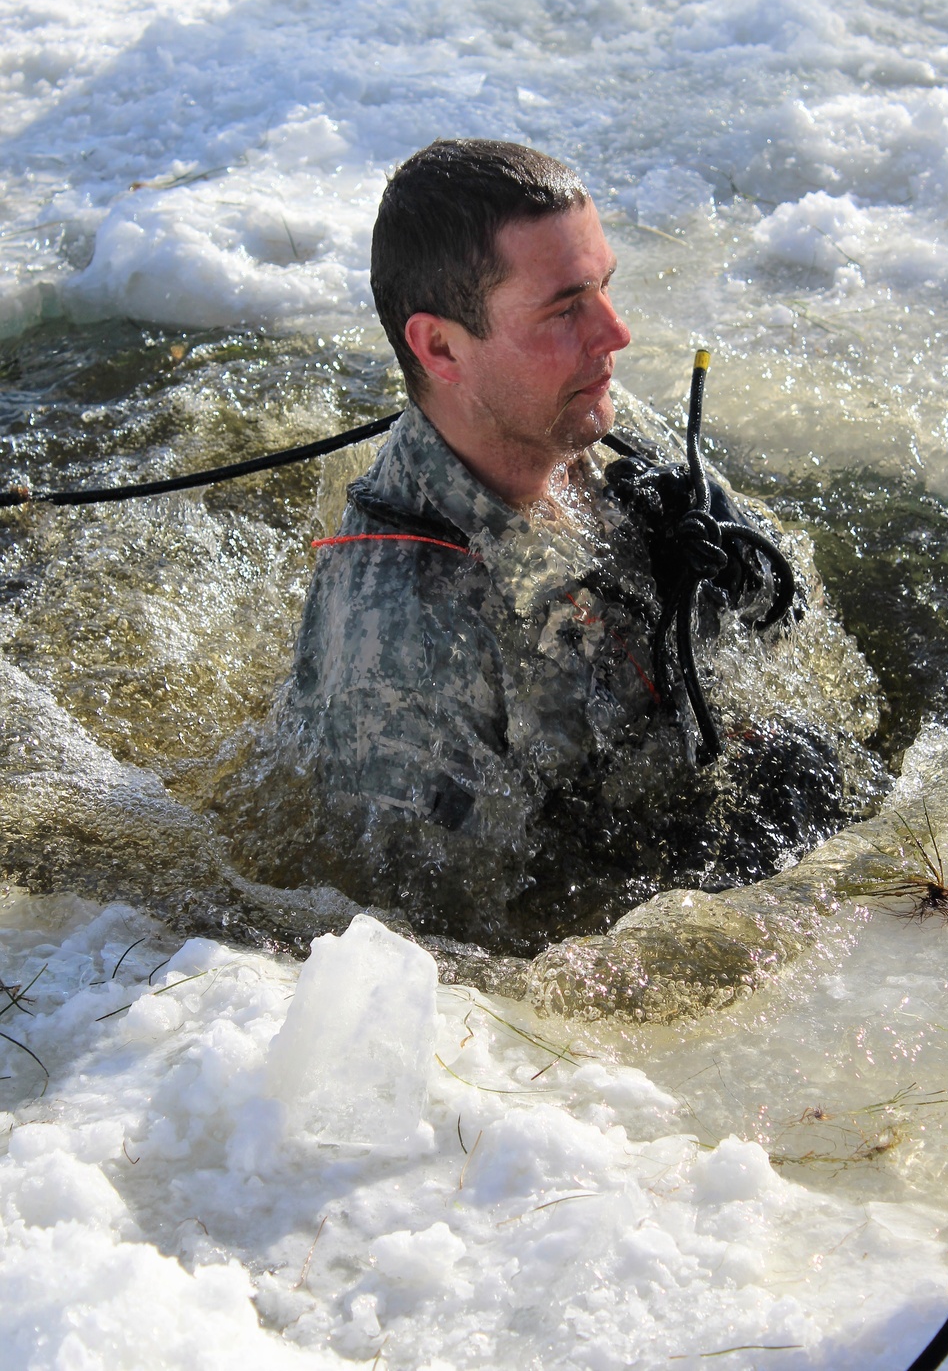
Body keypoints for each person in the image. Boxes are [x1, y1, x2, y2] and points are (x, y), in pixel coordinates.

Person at [247, 139, 883, 953]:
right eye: (564, 309)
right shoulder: (411, 637)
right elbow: (442, 951)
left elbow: (786, 606)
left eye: (606, 287)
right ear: (440, 348)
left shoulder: (606, 433)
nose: (615, 333)